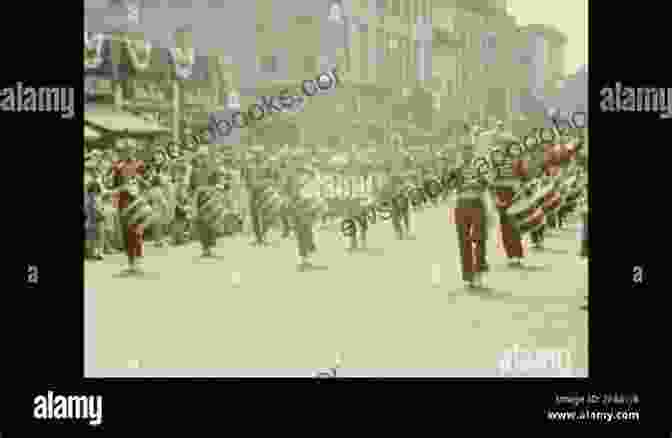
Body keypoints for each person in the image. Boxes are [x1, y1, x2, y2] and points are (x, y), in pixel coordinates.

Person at [449, 139, 493, 289]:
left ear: (473, 152)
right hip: (461, 205)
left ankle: (479, 271)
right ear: (461, 153)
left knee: (479, 238)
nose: (466, 153)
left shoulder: (480, 166)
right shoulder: (457, 168)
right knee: (464, 241)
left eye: (469, 150)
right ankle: (468, 275)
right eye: (464, 151)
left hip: (476, 203)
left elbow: (488, 182)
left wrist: (479, 182)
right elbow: (447, 185)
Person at [491, 137, 529, 267]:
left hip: (515, 198)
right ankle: (510, 255)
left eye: (517, 148)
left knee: (515, 227)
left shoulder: (520, 163)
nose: (515, 150)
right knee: (505, 228)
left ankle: (517, 254)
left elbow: (525, 180)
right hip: (502, 200)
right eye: (512, 148)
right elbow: (492, 184)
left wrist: (520, 193)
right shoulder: (497, 165)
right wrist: (496, 199)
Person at [111, 140, 147, 272]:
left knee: (136, 231)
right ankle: (131, 263)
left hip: (137, 201)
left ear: (135, 150)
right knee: (127, 232)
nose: (129, 151)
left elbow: (147, 183)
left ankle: (138, 261)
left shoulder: (140, 165)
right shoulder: (118, 166)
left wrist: (140, 181)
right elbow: (114, 187)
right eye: (126, 149)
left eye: (131, 149)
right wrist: (123, 188)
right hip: (123, 201)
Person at [288, 164, 325, 270]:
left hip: (308, 212)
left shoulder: (313, 184)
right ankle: (304, 259)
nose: (304, 175)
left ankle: (306, 258)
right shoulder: (296, 183)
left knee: (306, 234)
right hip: (298, 211)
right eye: (302, 173)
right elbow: (292, 197)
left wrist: (316, 210)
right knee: (301, 235)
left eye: (306, 173)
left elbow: (317, 199)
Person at [84, 180, 105, 261]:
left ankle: (98, 253)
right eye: (93, 187)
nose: (95, 189)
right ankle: (94, 253)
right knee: (94, 236)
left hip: (97, 218)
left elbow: (98, 206)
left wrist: (101, 211)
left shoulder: (97, 196)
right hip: (93, 218)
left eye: (96, 187)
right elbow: (92, 207)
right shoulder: (90, 197)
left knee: (98, 236)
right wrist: (100, 212)